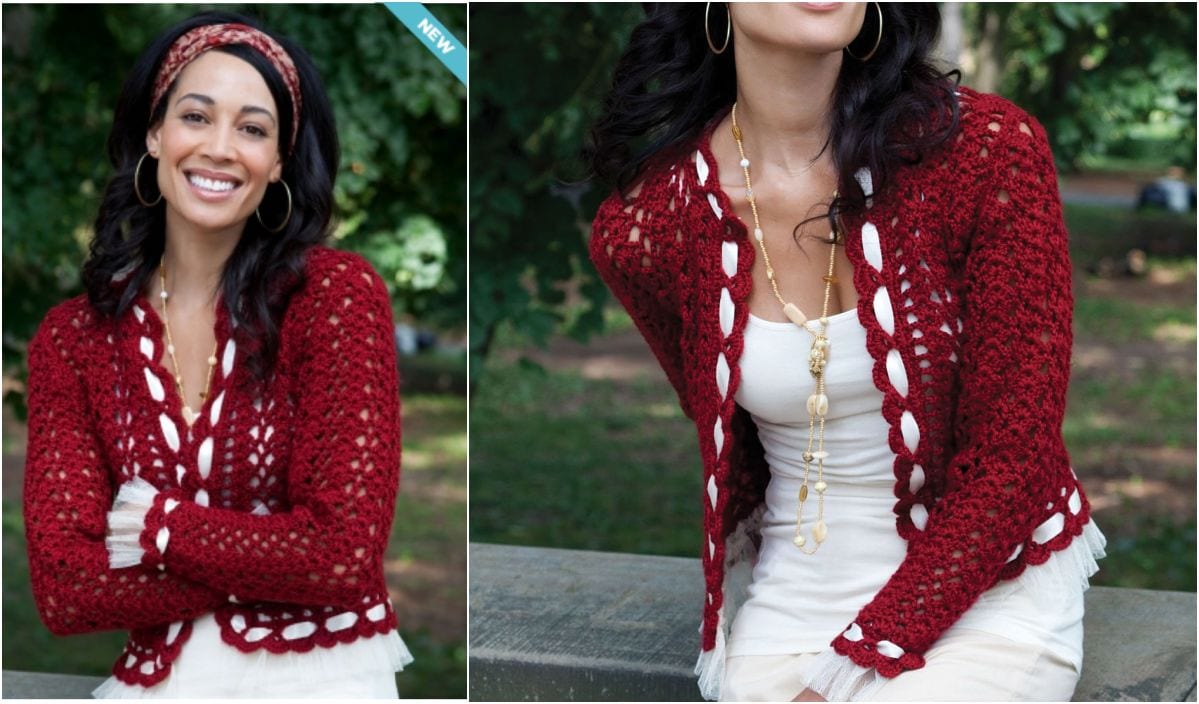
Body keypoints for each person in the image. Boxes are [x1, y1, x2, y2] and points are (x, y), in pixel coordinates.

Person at [587, 3, 1105, 701]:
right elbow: (729, 439)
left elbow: (1013, 461)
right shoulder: (649, 227)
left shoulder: (983, 153)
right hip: (790, 609)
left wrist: (847, 670)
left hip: (990, 593)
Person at [23, 11, 411, 697]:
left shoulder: (333, 298)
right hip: (155, 685)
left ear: (279, 161)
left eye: (253, 128)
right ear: (154, 133)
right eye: (196, 116)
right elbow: (67, 587)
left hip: (323, 676)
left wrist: (155, 525)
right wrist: (268, 561)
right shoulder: (72, 340)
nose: (221, 148)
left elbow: (341, 556)